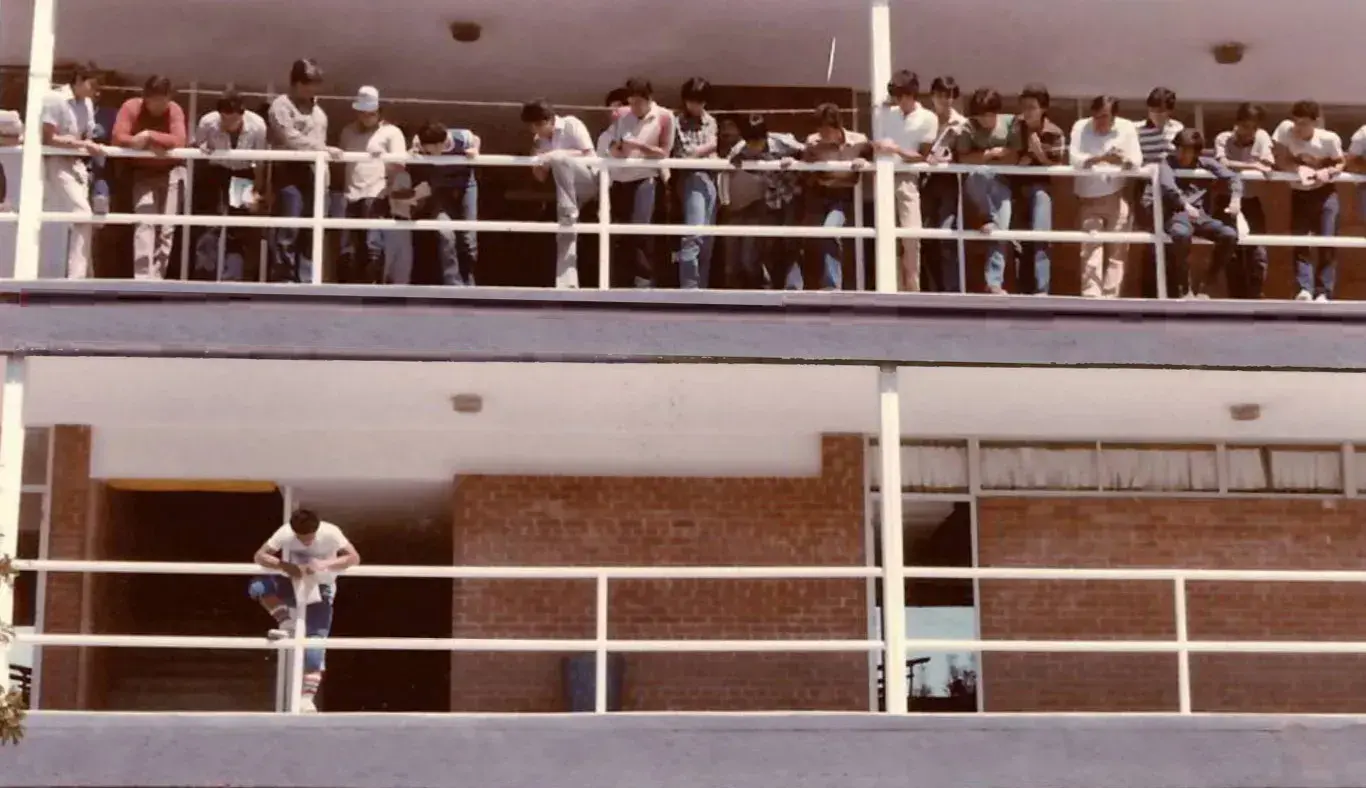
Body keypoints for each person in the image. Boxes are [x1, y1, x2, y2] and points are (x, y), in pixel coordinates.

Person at [248, 508, 360, 713]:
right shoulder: (285, 533)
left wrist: (324, 563)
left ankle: (306, 700)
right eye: (301, 539)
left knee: (315, 644)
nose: (306, 543)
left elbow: (354, 558)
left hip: (321, 587)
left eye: (310, 539)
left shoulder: (331, 532)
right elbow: (260, 555)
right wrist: (285, 565)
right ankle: (286, 623)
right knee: (258, 586)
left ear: (317, 530)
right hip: (291, 582)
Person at [600, 77, 675, 288]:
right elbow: (614, 147)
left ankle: (645, 280)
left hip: (646, 177)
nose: (633, 108)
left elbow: (664, 152)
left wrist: (640, 146)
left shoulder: (665, 116)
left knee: (641, 230)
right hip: (621, 178)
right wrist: (617, 148)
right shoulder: (622, 115)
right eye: (630, 102)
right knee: (621, 233)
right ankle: (621, 282)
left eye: (638, 103)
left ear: (649, 99)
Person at [267, 59, 338, 283]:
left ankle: (307, 279)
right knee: (289, 226)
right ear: (296, 83)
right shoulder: (281, 106)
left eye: (316, 84)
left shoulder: (317, 109)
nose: (314, 89)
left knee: (312, 228)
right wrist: (322, 149)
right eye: (310, 84)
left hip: (317, 174)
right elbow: (290, 138)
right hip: (291, 172)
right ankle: (284, 278)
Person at [111, 75, 189, 280]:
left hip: (172, 173)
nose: (159, 106)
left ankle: (158, 278)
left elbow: (180, 141)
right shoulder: (131, 107)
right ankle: (143, 279)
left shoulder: (175, 110)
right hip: (142, 175)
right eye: (154, 101)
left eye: (163, 101)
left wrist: (149, 136)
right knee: (144, 223)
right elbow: (118, 136)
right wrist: (138, 142)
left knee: (166, 229)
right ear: (145, 97)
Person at [1069, 95, 1142, 298]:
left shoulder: (1126, 128)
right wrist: (1101, 158)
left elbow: (1137, 162)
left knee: (1118, 252)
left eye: (1104, 117)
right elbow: (1075, 159)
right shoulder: (1080, 127)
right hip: (1088, 197)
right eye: (1096, 116)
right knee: (1091, 248)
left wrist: (1122, 159)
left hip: (1118, 195)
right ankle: (1092, 297)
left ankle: (1111, 298)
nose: (1099, 121)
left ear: (1114, 116)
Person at [872, 69, 938, 292]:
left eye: (901, 95)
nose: (898, 101)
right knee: (885, 234)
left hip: (908, 178)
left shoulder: (928, 118)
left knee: (911, 235)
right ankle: (891, 287)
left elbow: (924, 155)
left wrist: (897, 149)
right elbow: (876, 142)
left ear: (912, 94)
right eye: (895, 96)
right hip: (884, 176)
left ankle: (912, 289)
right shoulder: (887, 114)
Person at [1157, 129, 1241, 299]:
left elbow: (1233, 177)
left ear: (1196, 151)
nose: (1181, 153)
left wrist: (1236, 199)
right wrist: (1185, 205)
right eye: (1179, 148)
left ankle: (1206, 286)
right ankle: (1184, 288)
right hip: (1177, 214)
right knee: (1181, 234)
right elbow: (1168, 186)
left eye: (1186, 149)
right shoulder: (1167, 163)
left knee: (1229, 234)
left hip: (1201, 217)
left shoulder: (1205, 163)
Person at [1273, 100, 1343, 302]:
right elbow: (1279, 157)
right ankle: (1304, 288)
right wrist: (1297, 170)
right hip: (1299, 193)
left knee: (1327, 240)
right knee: (1300, 240)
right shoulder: (1285, 130)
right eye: (1296, 122)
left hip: (1325, 193)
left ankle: (1323, 291)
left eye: (1303, 123)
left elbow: (1341, 162)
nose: (1298, 127)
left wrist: (1327, 171)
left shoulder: (1329, 139)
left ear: (1316, 122)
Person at [193, 89, 267, 281]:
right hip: (215, 172)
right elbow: (196, 147)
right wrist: (201, 148)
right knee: (210, 225)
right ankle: (204, 276)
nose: (227, 124)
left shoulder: (258, 125)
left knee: (238, 227)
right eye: (224, 119)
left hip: (243, 173)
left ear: (242, 114)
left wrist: (257, 190)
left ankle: (233, 280)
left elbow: (259, 162)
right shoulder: (208, 122)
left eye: (232, 120)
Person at [726, 114, 805, 290]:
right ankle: (768, 285)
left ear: (765, 137)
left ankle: (793, 287)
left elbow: (808, 153)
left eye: (757, 142)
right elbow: (729, 164)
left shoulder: (783, 142)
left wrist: (793, 161)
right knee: (768, 243)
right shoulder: (740, 149)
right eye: (750, 142)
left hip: (791, 196)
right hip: (769, 198)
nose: (754, 147)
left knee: (790, 242)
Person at [524, 99, 596, 289]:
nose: (535, 131)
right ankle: (567, 283)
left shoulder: (572, 124)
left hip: (588, 180)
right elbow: (541, 177)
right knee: (565, 232)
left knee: (558, 157)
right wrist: (536, 159)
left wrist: (555, 155)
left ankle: (567, 210)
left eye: (537, 126)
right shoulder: (539, 140)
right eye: (532, 127)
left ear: (548, 120)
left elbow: (589, 155)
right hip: (568, 193)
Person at [337, 86, 406, 284]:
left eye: (371, 113)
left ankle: (372, 291)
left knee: (372, 244)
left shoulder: (391, 132)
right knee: (348, 247)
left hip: (376, 193)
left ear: (379, 112)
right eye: (363, 113)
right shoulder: (347, 131)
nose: (366, 117)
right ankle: (347, 291)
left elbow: (400, 165)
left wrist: (384, 158)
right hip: (350, 194)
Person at [40, 67, 103, 279]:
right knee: (82, 213)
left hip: (78, 165)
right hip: (57, 162)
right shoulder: (54, 99)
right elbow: (48, 137)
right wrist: (83, 144)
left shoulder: (87, 104)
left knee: (84, 218)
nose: (95, 91)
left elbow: (89, 133)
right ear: (78, 79)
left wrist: (92, 143)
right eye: (92, 85)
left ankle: (82, 274)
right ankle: (76, 277)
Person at [955, 88, 1019, 294]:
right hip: (977, 184)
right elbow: (963, 158)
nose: (985, 120)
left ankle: (993, 282)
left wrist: (995, 156)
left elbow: (1014, 158)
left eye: (989, 115)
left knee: (1000, 230)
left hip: (1002, 185)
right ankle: (986, 215)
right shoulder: (969, 126)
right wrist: (991, 154)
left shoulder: (1011, 123)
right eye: (980, 116)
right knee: (979, 173)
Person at [801, 103, 870, 291]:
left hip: (843, 196)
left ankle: (832, 286)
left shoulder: (859, 141)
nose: (821, 134)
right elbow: (803, 164)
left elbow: (872, 157)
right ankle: (811, 286)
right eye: (819, 128)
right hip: (819, 193)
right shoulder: (813, 142)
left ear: (837, 127)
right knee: (810, 239)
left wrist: (863, 160)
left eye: (825, 129)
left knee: (830, 231)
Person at [1213, 103, 1274, 299]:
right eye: (1246, 126)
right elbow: (1222, 164)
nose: (1250, 132)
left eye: (1254, 127)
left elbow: (1267, 165)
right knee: (1232, 252)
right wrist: (1252, 165)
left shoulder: (1262, 137)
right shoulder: (1223, 138)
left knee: (1258, 251)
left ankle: (1256, 295)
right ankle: (1237, 298)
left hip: (1251, 200)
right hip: (1227, 201)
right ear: (1237, 123)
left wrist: (1254, 166)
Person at [409, 121, 481, 286]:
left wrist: (475, 150)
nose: (428, 152)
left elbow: (475, 138)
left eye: (431, 149)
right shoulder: (420, 143)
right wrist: (413, 151)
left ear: (441, 144)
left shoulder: (462, 137)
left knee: (469, 239)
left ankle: (469, 283)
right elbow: (415, 144)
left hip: (466, 186)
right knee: (445, 232)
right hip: (440, 189)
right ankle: (453, 284)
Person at [1012, 83, 1066, 295]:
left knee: (1040, 238)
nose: (1027, 111)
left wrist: (1038, 154)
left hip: (1041, 188)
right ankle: (1022, 292)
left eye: (1032, 107)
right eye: (1024, 106)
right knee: (1018, 241)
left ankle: (1042, 291)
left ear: (1043, 108)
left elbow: (1057, 165)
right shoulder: (1015, 125)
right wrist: (1020, 160)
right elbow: (1008, 153)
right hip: (1016, 188)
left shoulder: (1054, 132)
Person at [1135, 88, 1184, 299]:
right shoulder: (1137, 130)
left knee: (1172, 240)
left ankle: (1173, 292)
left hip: (1171, 189)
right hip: (1146, 189)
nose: (1156, 115)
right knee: (1150, 242)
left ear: (1170, 111)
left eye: (1161, 111)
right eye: (1153, 110)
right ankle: (1150, 294)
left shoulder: (1177, 129)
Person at [672, 78, 719, 290]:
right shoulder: (677, 121)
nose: (695, 106)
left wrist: (711, 149)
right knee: (693, 233)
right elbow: (685, 152)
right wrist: (710, 147)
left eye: (699, 101)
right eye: (691, 101)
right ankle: (689, 287)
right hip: (691, 177)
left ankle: (704, 286)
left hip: (711, 179)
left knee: (707, 238)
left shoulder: (711, 121)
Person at [921, 76, 967, 292]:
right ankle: (933, 289)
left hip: (948, 182)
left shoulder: (961, 124)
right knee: (924, 236)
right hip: (923, 181)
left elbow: (966, 155)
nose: (945, 100)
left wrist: (952, 157)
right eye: (941, 95)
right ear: (932, 96)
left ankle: (952, 290)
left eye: (949, 95)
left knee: (947, 235)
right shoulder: (923, 119)